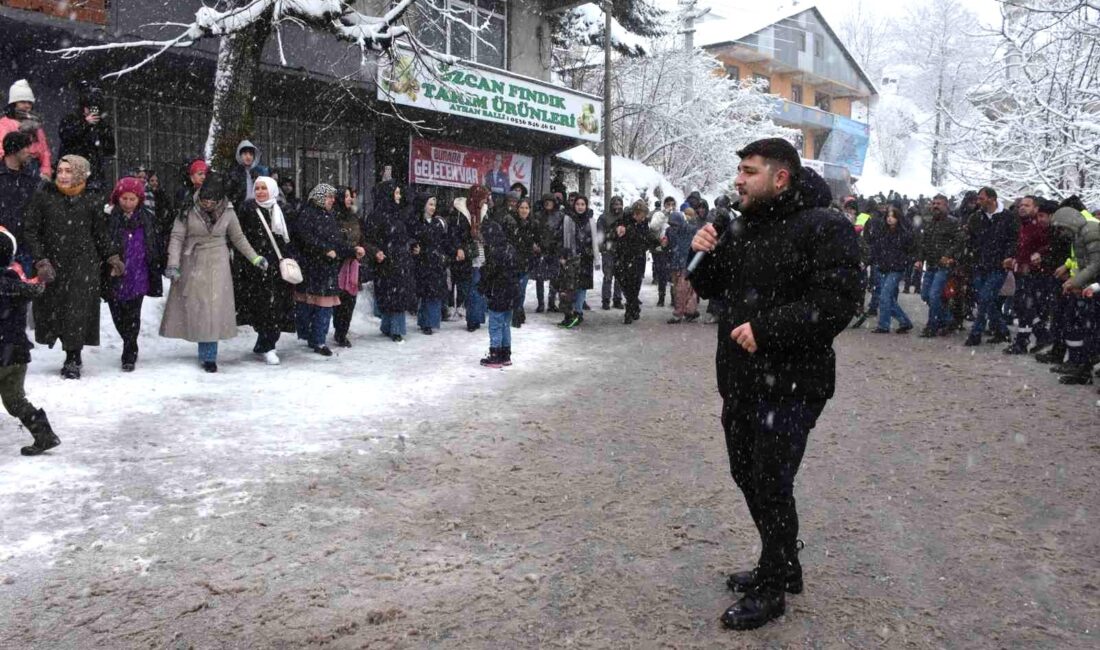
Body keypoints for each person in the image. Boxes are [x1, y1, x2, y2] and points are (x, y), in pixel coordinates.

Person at [689, 138, 861, 631]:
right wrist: (700, 251)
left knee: (770, 480)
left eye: (748, 171)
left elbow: (837, 301)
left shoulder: (825, 226)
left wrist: (767, 329)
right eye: (738, 171)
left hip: (792, 383)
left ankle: (772, 586)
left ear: (780, 177)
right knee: (747, 474)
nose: (738, 180)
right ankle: (785, 563)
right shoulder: (743, 224)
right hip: (741, 380)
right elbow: (714, 287)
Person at [23, 155, 124, 380]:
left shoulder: (90, 199)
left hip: (82, 264)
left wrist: (112, 256)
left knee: (76, 311)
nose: (63, 175)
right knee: (53, 309)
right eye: (60, 170)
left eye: (69, 171)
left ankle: (73, 357)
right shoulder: (44, 197)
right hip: (53, 263)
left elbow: (99, 233)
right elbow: (30, 230)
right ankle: (61, 344)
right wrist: (41, 260)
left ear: (80, 173)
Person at [160, 173, 268, 372]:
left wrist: (255, 258)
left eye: (212, 201)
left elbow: (238, 238)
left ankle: (209, 356)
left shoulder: (228, 210)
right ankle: (204, 347)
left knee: (212, 310)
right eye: (204, 200)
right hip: (192, 262)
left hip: (219, 263)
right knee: (199, 308)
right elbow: (176, 237)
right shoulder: (187, 209)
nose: (208, 204)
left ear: (220, 199)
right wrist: (173, 264)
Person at [0, 228, 58, 456]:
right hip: (16, 355)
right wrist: (41, 281)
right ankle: (44, 436)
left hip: (3, 352)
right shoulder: (16, 283)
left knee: (15, 400)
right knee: (15, 401)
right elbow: (35, 288)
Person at [291, 184, 364, 355]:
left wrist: (352, 251)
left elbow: (337, 242)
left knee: (324, 307)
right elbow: (305, 239)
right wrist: (324, 250)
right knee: (309, 306)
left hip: (327, 270)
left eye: (333, 197)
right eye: (329, 197)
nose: (332, 200)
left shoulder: (329, 216)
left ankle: (319, 341)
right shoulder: (307, 215)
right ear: (319, 197)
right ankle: (311, 337)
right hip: (311, 268)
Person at [232, 176, 297, 365]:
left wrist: (290, 257)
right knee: (261, 308)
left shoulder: (283, 210)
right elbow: (240, 237)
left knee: (277, 308)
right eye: (257, 188)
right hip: (256, 267)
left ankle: (268, 344)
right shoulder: (247, 210)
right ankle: (265, 343)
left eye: (264, 188)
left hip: (279, 268)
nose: (260, 191)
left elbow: (290, 238)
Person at [103, 177, 163, 372]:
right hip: (115, 274)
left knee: (133, 314)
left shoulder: (147, 218)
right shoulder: (109, 218)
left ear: (139, 200)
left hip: (139, 274)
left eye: (132, 199)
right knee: (117, 313)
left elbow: (155, 244)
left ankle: (129, 350)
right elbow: (103, 242)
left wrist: (156, 263)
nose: (127, 203)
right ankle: (128, 340)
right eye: (124, 198)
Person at [1048, 206, 1100, 385]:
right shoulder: (1081, 233)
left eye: (1062, 228)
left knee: (1090, 331)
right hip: (1091, 287)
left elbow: (1095, 264)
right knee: (1086, 330)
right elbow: (1084, 263)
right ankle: (1082, 367)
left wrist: (1075, 282)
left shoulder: (1090, 231)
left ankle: (1084, 369)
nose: (1062, 233)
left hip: (1094, 287)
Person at [963, 187, 1019, 346]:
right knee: (986, 300)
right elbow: (971, 240)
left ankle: (976, 332)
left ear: (992, 199)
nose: (978, 201)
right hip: (980, 264)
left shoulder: (1008, 217)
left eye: (981, 198)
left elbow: (1014, 239)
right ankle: (1002, 330)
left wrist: (1009, 255)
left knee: (985, 297)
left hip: (998, 265)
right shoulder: (976, 217)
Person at [367, 181, 417, 343]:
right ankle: (394, 329)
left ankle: (390, 327)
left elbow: (404, 235)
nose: (399, 196)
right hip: (387, 261)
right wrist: (377, 252)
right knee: (392, 295)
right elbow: (369, 239)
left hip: (400, 260)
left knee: (397, 295)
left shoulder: (398, 213)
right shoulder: (377, 216)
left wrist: (412, 244)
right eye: (396, 193)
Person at [1004, 196, 1049, 354]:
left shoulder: (1040, 226)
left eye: (1027, 205)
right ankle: (1042, 335)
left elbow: (1049, 246)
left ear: (1036, 209)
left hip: (1035, 275)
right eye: (1021, 205)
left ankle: (1022, 342)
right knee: (1023, 307)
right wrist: (1014, 259)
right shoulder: (1022, 225)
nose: (1022, 208)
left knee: (1026, 307)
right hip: (1020, 272)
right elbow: (1021, 247)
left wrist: (1038, 255)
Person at [478, 197, 518, 368]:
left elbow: (490, 274)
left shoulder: (495, 253)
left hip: (498, 294)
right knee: (505, 325)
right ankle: (505, 353)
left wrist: (483, 285)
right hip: (510, 295)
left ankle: (495, 353)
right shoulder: (510, 249)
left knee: (495, 324)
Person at [915, 195, 962, 337]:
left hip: (944, 266)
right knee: (925, 295)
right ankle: (947, 319)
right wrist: (919, 259)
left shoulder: (953, 223)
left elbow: (959, 242)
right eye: (934, 203)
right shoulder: (929, 222)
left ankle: (932, 326)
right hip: (930, 264)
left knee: (934, 295)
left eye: (939, 204)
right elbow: (923, 243)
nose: (935, 206)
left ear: (946, 205)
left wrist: (949, 255)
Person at [550, 194, 596, 329]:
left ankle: (578, 312)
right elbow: (559, 238)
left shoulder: (591, 221)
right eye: (578, 204)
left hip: (586, 259)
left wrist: (591, 251)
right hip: (570, 258)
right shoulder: (566, 219)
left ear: (586, 206)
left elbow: (595, 240)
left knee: (582, 287)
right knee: (568, 287)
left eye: (583, 204)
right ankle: (568, 314)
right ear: (573, 205)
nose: (580, 207)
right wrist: (562, 255)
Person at [610, 200, 660, 324]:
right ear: (635, 213)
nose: (642, 219)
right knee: (626, 285)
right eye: (641, 215)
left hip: (638, 259)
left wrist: (658, 242)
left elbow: (647, 238)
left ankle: (630, 310)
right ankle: (633, 306)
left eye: (643, 216)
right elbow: (612, 235)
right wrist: (618, 232)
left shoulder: (643, 224)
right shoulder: (623, 222)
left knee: (635, 285)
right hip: (623, 259)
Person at [332, 187, 370, 348]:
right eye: (346, 196)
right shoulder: (333, 217)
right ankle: (338, 330)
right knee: (338, 301)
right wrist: (350, 249)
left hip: (354, 264)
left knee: (350, 300)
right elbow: (336, 241)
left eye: (350, 196)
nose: (349, 199)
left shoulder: (355, 217)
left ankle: (342, 332)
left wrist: (361, 249)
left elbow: (362, 238)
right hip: (339, 263)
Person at [57, 83, 114, 190]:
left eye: (96, 108)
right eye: (90, 107)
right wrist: (85, 124)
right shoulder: (71, 119)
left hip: (94, 176)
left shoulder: (102, 125)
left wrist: (103, 129)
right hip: (72, 174)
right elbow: (66, 137)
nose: (93, 111)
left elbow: (110, 149)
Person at [870, 205, 916, 334]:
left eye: (892, 216)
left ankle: (884, 325)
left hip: (896, 268)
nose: (889, 219)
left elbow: (910, 249)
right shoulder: (882, 232)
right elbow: (876, 249)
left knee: (884, 296)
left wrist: (904, 261)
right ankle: (904, 321)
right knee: (886, 297)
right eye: (888, 216)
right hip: (885, 267)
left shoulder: (904, 234)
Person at [452, 185, 491, 332]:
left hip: (482, 255)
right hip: (469, 256)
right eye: (482, 198)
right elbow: (455, 234)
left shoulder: (484, 212)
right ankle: (473, 320)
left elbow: (488, 231)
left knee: (479, 287)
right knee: (473, 288)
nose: (484, 201)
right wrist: (460, 247)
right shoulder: (462, 213)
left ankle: (477, 318)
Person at [0, 131, 40, 270]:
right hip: (2, 244)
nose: (30, 151)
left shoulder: (32, 177)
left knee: (26, 287)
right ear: (15, 150)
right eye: (26, 147)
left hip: (25, 245)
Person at [413, 193, 451, 335]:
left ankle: (430, 322)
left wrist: (444, 256)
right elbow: (414, 240)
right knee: (426, 294)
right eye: (430, 204)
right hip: (423, 262)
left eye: (434, 205)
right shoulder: (418, 223)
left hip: (436, 262)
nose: (432, 208)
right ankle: (425, 322)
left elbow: (443, 242)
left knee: (434, 294)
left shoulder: (437, 223)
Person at [0, 80, 51, 182]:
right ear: (14, 103)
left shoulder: (35, 123)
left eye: (29, 102)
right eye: (23, 102)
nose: (27, 105)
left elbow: (44, 150)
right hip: (13, 165)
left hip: (34, 167)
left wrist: (46, 171)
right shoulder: (5, 123)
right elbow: (1, 145)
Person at [665, 205, 702, 323]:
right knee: (680, 289)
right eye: (671, 224)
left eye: (674, 224)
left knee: (683, 289)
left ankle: (679, 313)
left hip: (687, 264)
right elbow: (669, 246)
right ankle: (690, 311)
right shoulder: (670, 232)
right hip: (676, 263)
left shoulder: (691, 230)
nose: (672, 227)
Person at [509, 197, 540, 328]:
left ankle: (518, 311)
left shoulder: (533, 224)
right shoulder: (511, 222)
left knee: (521, 289)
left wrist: (536, 247)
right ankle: (515, 313)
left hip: (527, 261)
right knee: (514, 289)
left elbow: (538, 241)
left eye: (526, 208)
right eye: (521, 207)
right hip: (513, 261)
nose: (524, 210)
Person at [530, 193, 560, 313]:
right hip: (540, 249)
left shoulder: (559, 216)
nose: (548, 203)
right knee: (540, 278)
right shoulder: (537, 216)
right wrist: (534, 244)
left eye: (550, 201)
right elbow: (532, 231)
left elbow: (561, 233)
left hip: (554, 249)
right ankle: (541, 303)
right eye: (546, 201)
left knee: (554, 277)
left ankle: (552, 302)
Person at [597, 196, 624, 310]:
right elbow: (600, 234)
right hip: (608, 250)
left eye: (619, 204)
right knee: (608, 276)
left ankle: (617, 299)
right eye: (615, 204)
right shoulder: (604, 218)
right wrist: (602, 247)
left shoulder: (624, 217)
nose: (617, 206)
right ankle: (606, 300)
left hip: (621, 250)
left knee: (619, 276)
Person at [227, 140, 270, 209]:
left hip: (257, 209)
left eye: (251, 154)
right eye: (245, 154)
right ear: (240, 155)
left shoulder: (257, 173)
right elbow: (231, 196)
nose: (248, 157)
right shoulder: (234, 173)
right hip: (240, 210)